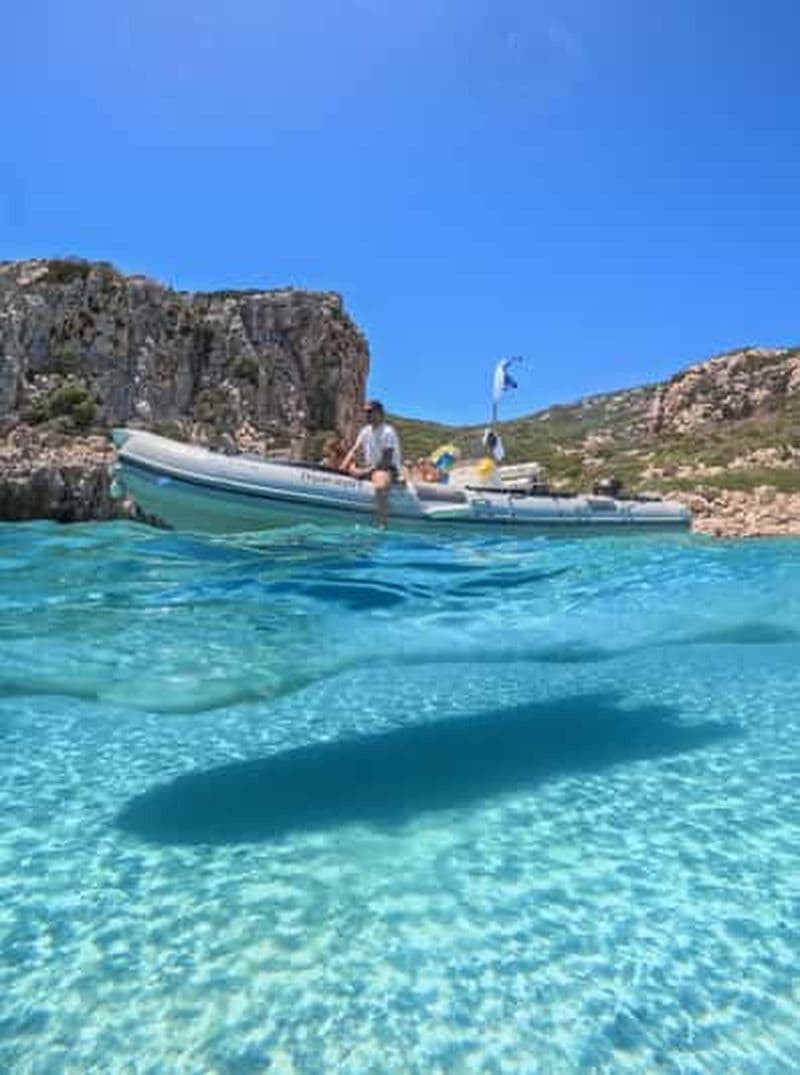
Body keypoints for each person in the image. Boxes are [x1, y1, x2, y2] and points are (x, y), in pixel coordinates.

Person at [339, 400, 402, 527]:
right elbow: (354, 450)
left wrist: (364, 472)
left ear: (380, 413)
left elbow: (386, 460)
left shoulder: (387, 431)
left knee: (380, 485)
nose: (366, 415)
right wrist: (341, 470)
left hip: (387, 468)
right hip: (370, 467)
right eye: (365, 412)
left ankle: (382, 523)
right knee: (352, 468)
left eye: (369, 412)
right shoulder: (365, 431)